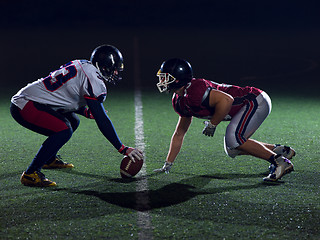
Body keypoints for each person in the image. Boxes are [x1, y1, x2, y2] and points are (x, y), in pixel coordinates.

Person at [10, 45, 143, 187]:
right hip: (26, 105)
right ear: (103, 66)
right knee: (63, 130)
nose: (116, 72)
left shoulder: (85, 65)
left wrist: (84, 111)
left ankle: (49, 159)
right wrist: (122, 148)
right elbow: (102, 119)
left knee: (73, 121)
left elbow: (66, 96)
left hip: (34, 101)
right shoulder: (94, 79)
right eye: (113, 67)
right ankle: (31, 174)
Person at [153, 58, 295, 182]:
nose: (162, 80)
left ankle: (280, 162)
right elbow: (179, 133)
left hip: (254, 100)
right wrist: (168, 163)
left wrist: (213, 124)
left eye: (166, 77)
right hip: (248, 105)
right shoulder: (179, 101)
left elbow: (227, 100)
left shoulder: (195, 90)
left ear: (178, 78)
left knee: (234, 138)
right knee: (232, 149)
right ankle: (280, 151)